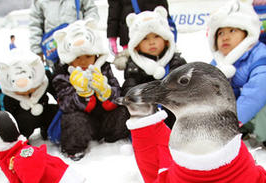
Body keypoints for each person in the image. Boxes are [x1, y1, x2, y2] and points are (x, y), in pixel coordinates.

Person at [208, 0, 266, 149]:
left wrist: (231, 122)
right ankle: (241, 128)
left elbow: (258, 92)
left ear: (246, 33)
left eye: (232, 31)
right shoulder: (219, 61)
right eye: (220, 33)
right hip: (244, 111)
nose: (225, 37)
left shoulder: (260, 55)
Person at [52, 19, 130, 160]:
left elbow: (117, 93)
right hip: (83, 121)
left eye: (88, 56)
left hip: (104, 118)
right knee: (74, 121)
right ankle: (74, 151)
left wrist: (106, 91)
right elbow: (65, 103)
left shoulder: (104, 68)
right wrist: (83, 94)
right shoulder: (62, 75)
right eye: (77, 57)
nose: (83, 62)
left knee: (123, 112)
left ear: (96, 54)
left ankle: (115, 141)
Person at [121, 6, 186, 128]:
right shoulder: (133, 67)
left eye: (156, 36)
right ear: (137, 45)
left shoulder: (176, 62)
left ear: (166, 39)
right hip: (148, 113)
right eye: (145, 38)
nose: (152, 42)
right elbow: (129, 88)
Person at [0, 49, 58, 141]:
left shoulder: (43, 79)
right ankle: (21, 140)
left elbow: (57, 93)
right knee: (25, 119)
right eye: (22, 92)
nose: (27, 92)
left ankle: (50, 130)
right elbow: (5, 118)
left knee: (55, 111)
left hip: (43, 109)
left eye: (31, 89)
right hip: (22, 120)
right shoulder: (5, 95)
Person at [28, 0, 99, 65]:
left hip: (79, 50)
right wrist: (37, 51)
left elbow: (91, 10)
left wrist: (87, 29)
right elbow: (35, 25)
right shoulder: (39, 2)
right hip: (55, 53)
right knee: (59, 77)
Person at [107, 0, 170, 70]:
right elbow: (114, 11)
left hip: (156, 31)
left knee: (163, 65)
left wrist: (167, 32)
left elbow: (163, 9)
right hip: (131, 34)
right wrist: (112, 36)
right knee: (134, 67)